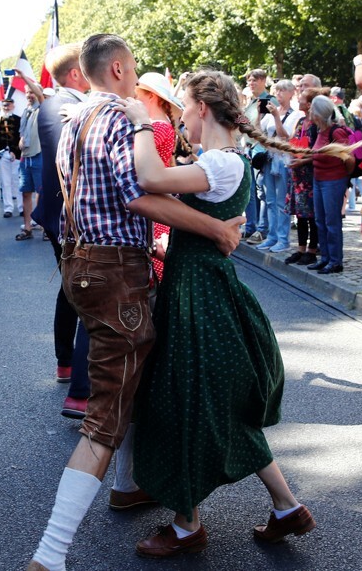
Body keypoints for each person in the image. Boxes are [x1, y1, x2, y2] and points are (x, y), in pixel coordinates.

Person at [27, 34, 246, 571]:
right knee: (104, 416)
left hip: (78, 265)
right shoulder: (122, 120)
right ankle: (50, 554)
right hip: (116, 271)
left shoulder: (74, 118)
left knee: (136, 381)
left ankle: (132, 488)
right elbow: (140, 193)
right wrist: (216, 231)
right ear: (120, 68)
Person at [117, 70, 316, 557]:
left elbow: (150, 178)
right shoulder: (221, 161)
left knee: (183, 401)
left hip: (200, 296)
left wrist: (143, 123)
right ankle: (285, 507)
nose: (181, 117)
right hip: (197, 289)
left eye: (183, 107)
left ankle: (188, 527)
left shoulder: (224, 164)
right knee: (209, 403)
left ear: (202, 108)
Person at [32, 45, 93, 416]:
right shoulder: (73, 107)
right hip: (75, 218)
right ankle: (81, 391)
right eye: (87, 69)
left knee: (70, 290)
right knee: (88, 294)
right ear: (75, 75)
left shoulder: (53, 104)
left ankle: (65, 362)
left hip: (57, 215)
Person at [134, 71, 184, 280]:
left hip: (153, 198)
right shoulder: (161, 124)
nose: (134, 99)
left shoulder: (158, 127)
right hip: (155, 197)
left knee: (155, 265)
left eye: (138, 96)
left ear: (151, 97)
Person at [306, 94, 354, 275]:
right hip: (319, 179)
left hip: (333, 181)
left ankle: (335, 260)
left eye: (312, 109)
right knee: (320, 220)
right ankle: (325, 258)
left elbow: (349, 158)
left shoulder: (336, 132)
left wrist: (343, 176)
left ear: (318, 113)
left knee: (331, 221)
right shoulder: (319, 131)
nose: (310, 111)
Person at [257, 78, 301, 255]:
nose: (279, 94)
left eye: (283, 90)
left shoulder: (296, 114)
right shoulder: (269, 112)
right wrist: (259, 114)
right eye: (277, 91)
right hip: (269, 159)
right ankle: (272, 236)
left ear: (291, 94)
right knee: (269, 200)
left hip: (283, 161)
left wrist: (276, 117)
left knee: (282, 200)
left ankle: (283, 239)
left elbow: (286, 137)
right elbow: (259, 133)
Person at [283, 88, 322, 266]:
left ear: (309, 104)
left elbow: (317, 151)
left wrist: (300, 162)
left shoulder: (315, 124)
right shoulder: (300, 121)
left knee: (311, 214)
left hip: (308, 174)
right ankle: (300, 249)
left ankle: (312, 250)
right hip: (297, 175)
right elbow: (293, 141)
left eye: (302, 98)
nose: (299, 100)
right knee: (300, 214)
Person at [241, 68, 273, 243]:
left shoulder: (268, 101)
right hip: (248, 149)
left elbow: (265, 129)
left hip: (260, 151)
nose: (251, 83)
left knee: (262, 192)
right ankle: (251, 226)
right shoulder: (251, 102)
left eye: (255, 80)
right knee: (250, 191)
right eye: (249, 81)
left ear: (263, 81)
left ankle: (262, 228)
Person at [16, 87, 44, 241]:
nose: (29, 95)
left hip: (39, 156)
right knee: (26, 192)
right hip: (25, 157)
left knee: (41, 193)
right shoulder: (25, 111)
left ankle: (44, 226)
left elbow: (40, 96)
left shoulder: (42, 108)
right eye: (27, 92)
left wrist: (22, 76)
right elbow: (23, 132)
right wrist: (20, 139)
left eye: (31, 92)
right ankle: (27, 228)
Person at [0, 97, 22, 218]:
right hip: (2, 153)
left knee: (17, 181)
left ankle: (21, 207)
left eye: (8, 105)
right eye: (4, 105)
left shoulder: (18, 119)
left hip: (16, 154)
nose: (6, 107)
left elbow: (20, 136)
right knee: (5, 182)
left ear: (13, 105)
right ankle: (8, 208)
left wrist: (15, 150)